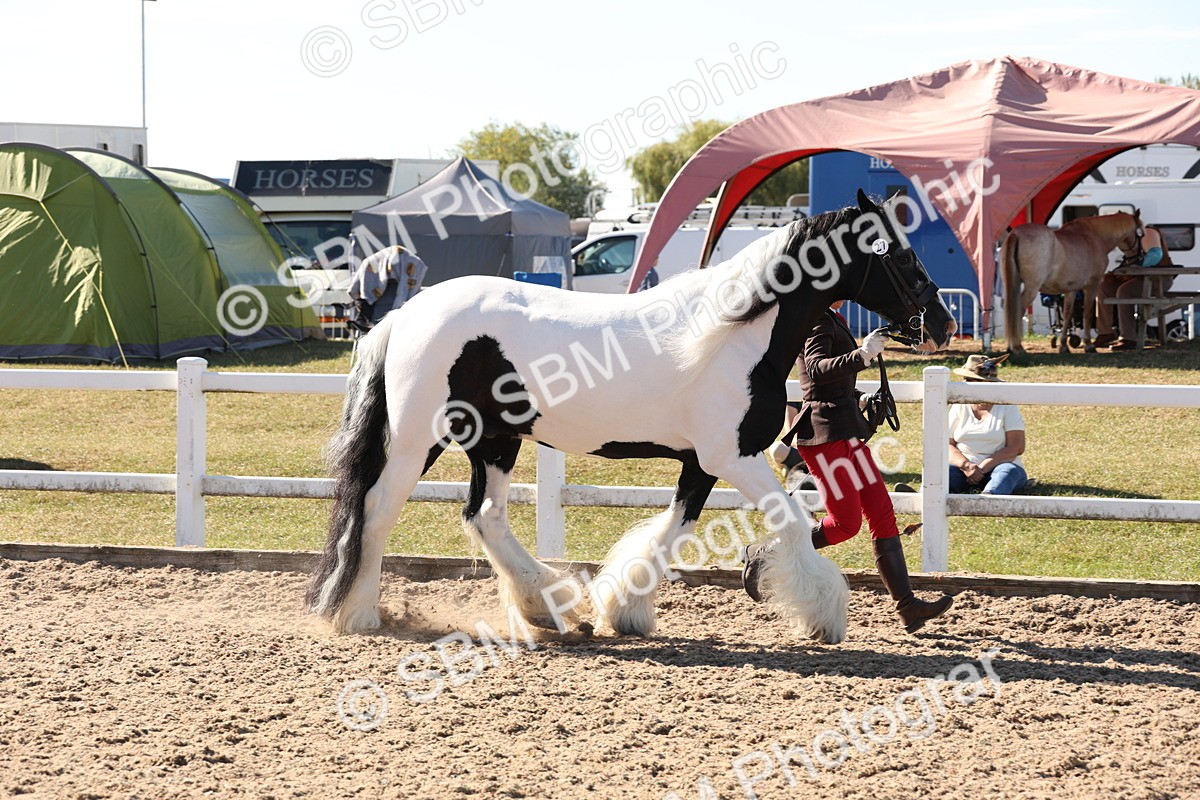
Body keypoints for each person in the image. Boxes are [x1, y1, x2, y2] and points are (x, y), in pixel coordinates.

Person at [743, 301, 953, 634]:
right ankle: (768, 554)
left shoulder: (830, 317)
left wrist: (859, 398)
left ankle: (907, 607)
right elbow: (814, 370)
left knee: (882, 511)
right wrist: (862, 355)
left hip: (847, 429)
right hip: (826, 436)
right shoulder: (814, 319)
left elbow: (831, 384)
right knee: (845, 524)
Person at [948, 354, 1029, 495]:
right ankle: (923, 494)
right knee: (942, 471)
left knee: (1007, 472)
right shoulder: (959, 405)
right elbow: (946, 444)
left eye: (970, 380)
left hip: (999, 467)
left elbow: (1016, 447)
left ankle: (988, 498)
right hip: (964, 470)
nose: (965, 383)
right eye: (967, 380)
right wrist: (966, 466)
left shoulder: (1006, 406)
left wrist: (981, 469)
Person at [1095, 224, 1172, 351]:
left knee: (1124, 291)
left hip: (1158, 279)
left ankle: (1128, 338)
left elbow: (1155, 255)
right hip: (1139, 278)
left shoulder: (1148, 232)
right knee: (1104, 286)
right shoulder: (1131, 239)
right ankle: (1105, 333)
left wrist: (1132, 271)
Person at [347, 245, 428, 332]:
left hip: (377, 315)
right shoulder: (412, 264)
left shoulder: (370, 264)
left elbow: (356, 291)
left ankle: (363, 319)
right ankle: (363, 320)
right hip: (379, 316)